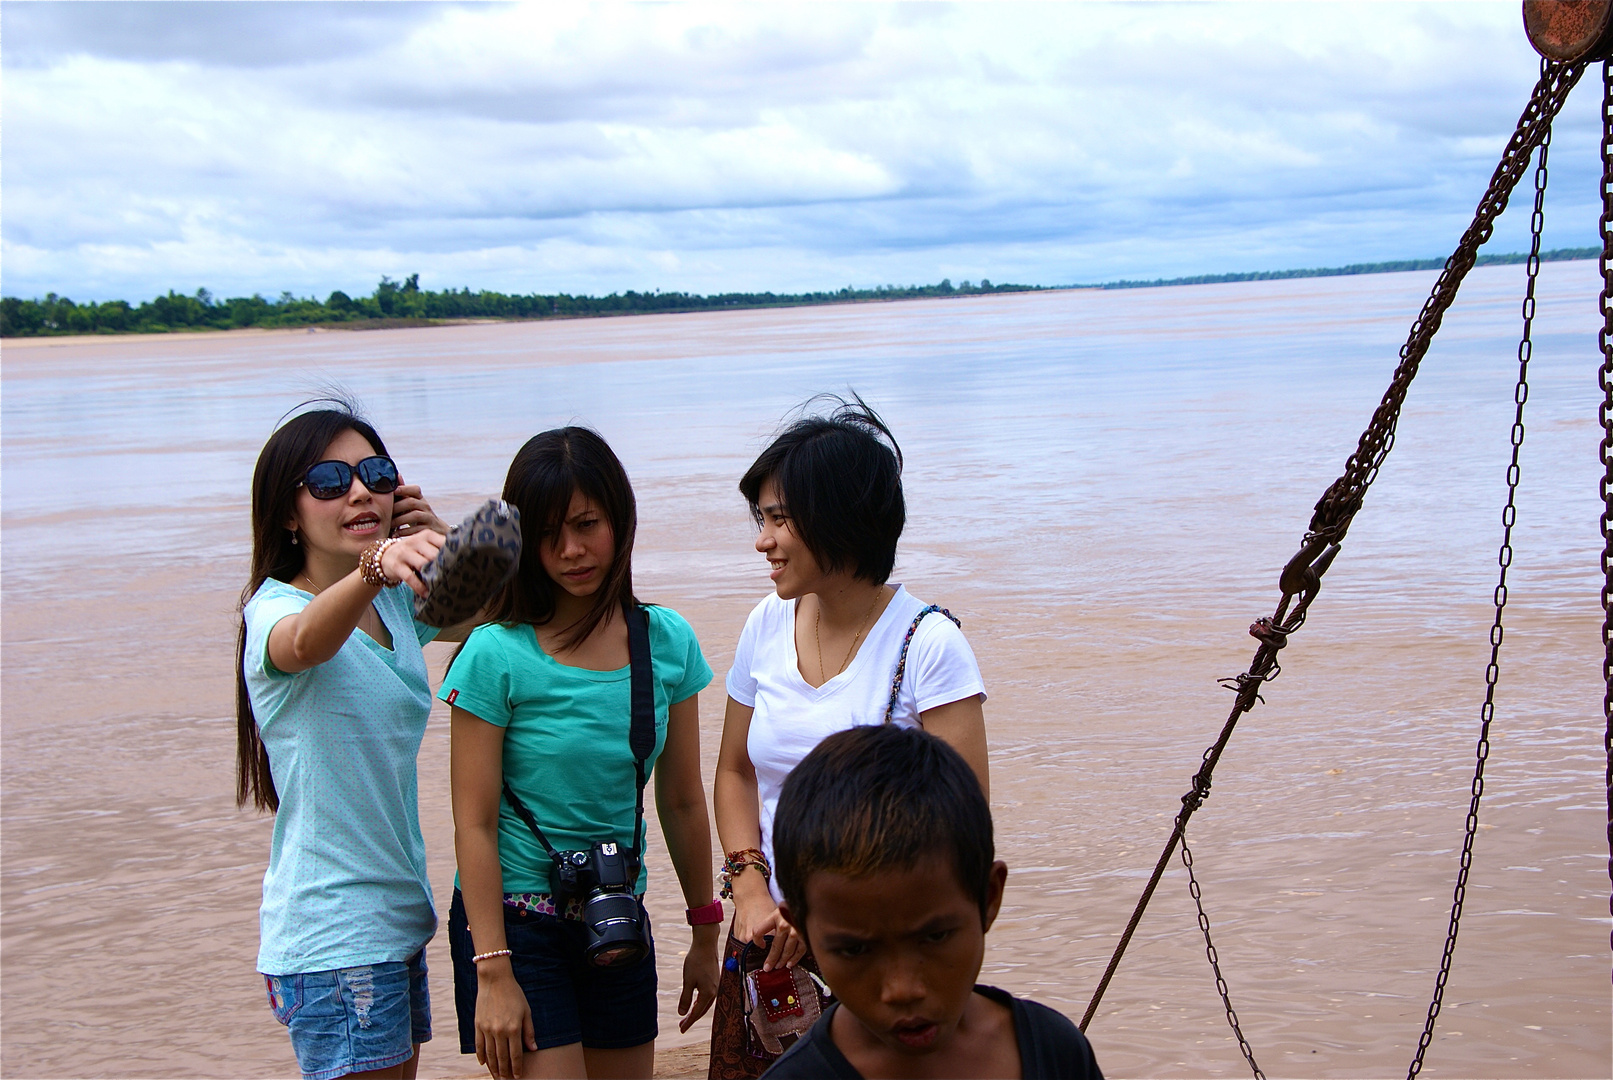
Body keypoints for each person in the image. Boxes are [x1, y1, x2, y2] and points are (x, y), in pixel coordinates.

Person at [708, 396, 989, 1079]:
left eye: (778, 519)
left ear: (836, 519)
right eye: (761, 519)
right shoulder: (764, 626)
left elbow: (961, 832)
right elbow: (734, 772)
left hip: (882, 958)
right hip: (764, 941)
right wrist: (749, 889)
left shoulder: (928, 645)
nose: (762, 540)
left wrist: (829, 917)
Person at [442, 427, 722, 1080]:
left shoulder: (667, 641)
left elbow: (681, 799)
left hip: (614, 915)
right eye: (547, 534)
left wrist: (704, 932)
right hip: (515, 925)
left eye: (587, 524)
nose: (571, 550)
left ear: (620, 519)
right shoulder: (495, 652)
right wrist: (492, 973)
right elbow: (473, 824)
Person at [238, 403, 465, 1080]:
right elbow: (303, 643)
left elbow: (504, 610)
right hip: (332, 928)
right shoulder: (275, 608)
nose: (360, 491)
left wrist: (444, 542)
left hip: (394, 916)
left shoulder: (393, 602)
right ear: (287, 513)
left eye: (374, 472)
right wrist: (375, 564)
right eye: (331, 480)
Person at [764, 724, 1103, 1079]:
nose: (903, 990)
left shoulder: (1056, 1053)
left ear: (988, 899)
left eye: (936, 936)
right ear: (801, 928)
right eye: (854, 950)